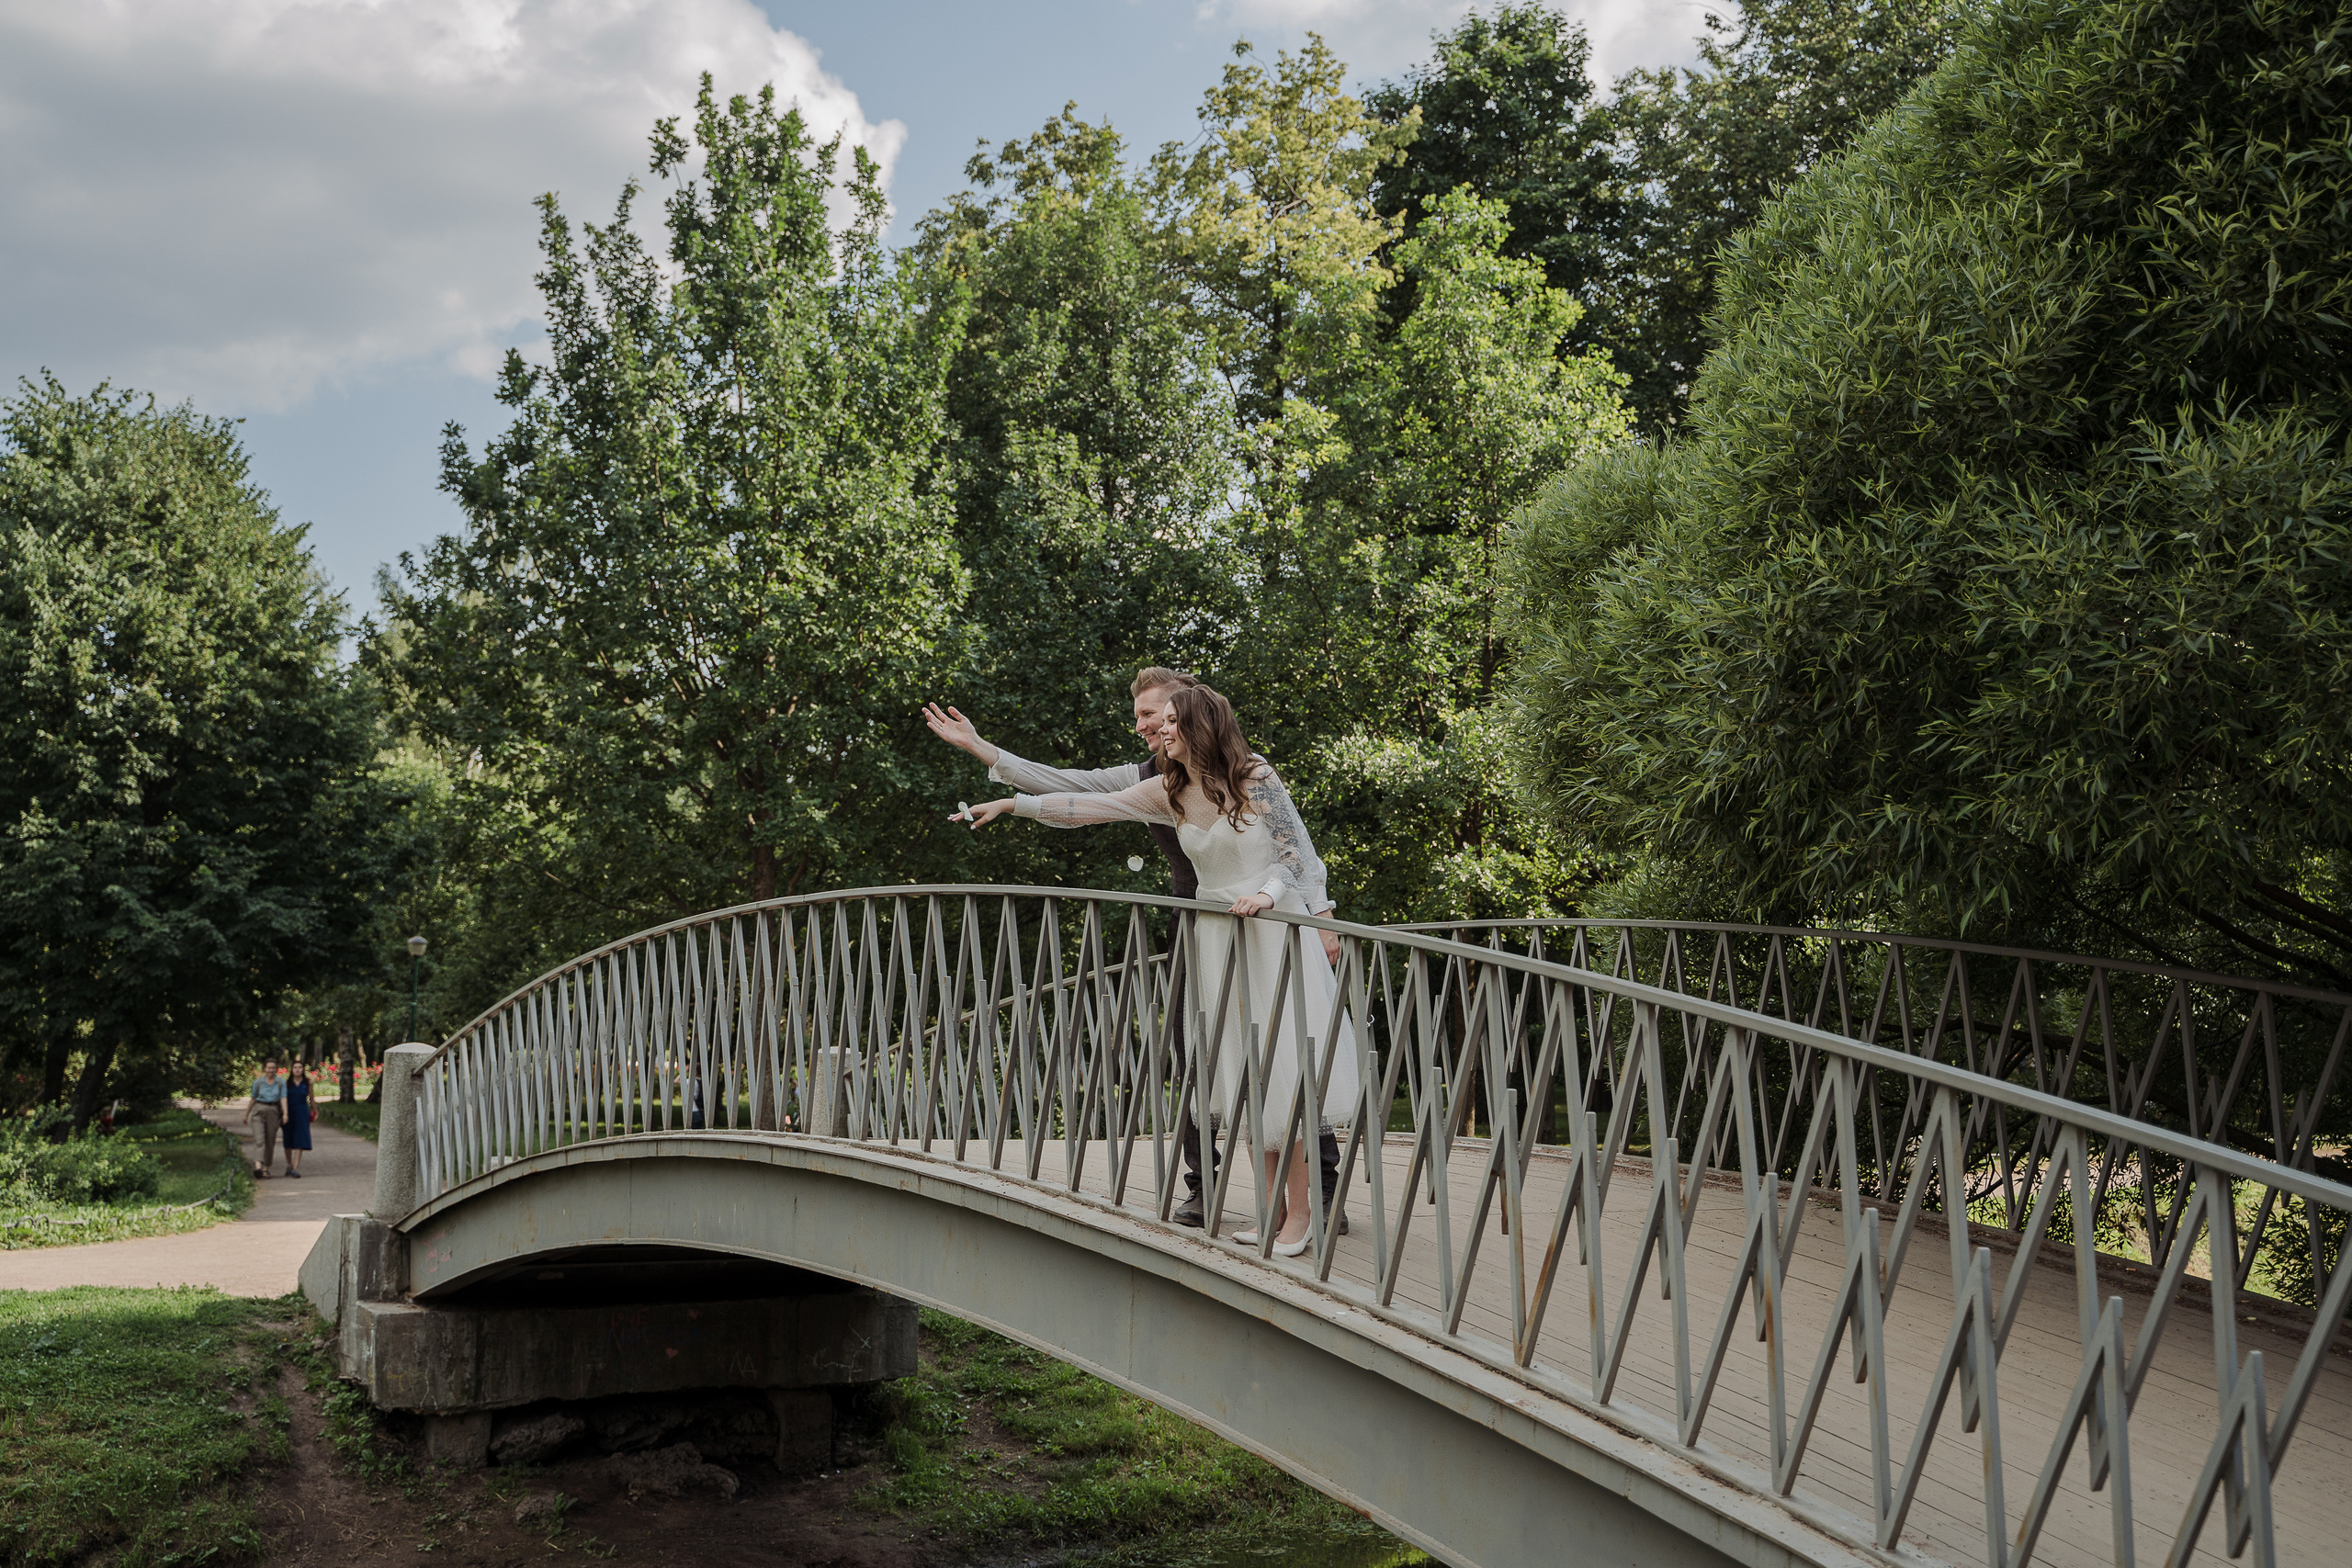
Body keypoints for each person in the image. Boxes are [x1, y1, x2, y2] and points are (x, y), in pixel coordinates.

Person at [923, 671, 1350, 1234]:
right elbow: (1078, 798)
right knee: (1229, 1064)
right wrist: (1008, 797)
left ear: (1194, 717)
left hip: (1269, 926)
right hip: (1210, 932)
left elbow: (1296, 851)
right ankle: (1243, 1202)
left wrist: (1314, 913)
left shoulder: (1252, 775)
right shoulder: (1159, 784)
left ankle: (1314, 1205)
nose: (1150, 727)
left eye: (1161, 717)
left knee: (1287, 1058)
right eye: (1151, 718)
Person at [243, 1057, 287, 1179]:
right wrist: (246, 1114)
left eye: (273, 1068)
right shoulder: (258, 1083)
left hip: (274, 1111)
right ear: (264, 1069)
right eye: (269, 1068)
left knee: (270, 1141)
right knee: (259, 1140)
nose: (271, 1070)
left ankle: (266, 1168)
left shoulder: (281, 1082)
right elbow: (253, 1099)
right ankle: (258, 1167)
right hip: (259, 1111)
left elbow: (283, 1098)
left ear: (276, 1069)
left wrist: (285, 1113)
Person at [282, 1061, 314, 1179]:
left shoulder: (307, 1083)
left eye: (300, 1067)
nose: (297, 1069)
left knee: (300, 1139)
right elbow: (282, 1099)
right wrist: (282, 1113)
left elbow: (312, 1098)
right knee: (288, 1140)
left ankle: (295, 1168)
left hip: (302, 1111)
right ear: (292, 1069)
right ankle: (289, 1164)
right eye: (295, 1067)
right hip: (288, 1112)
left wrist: (315, 1111)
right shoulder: (286, 1084)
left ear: (303, 1069)